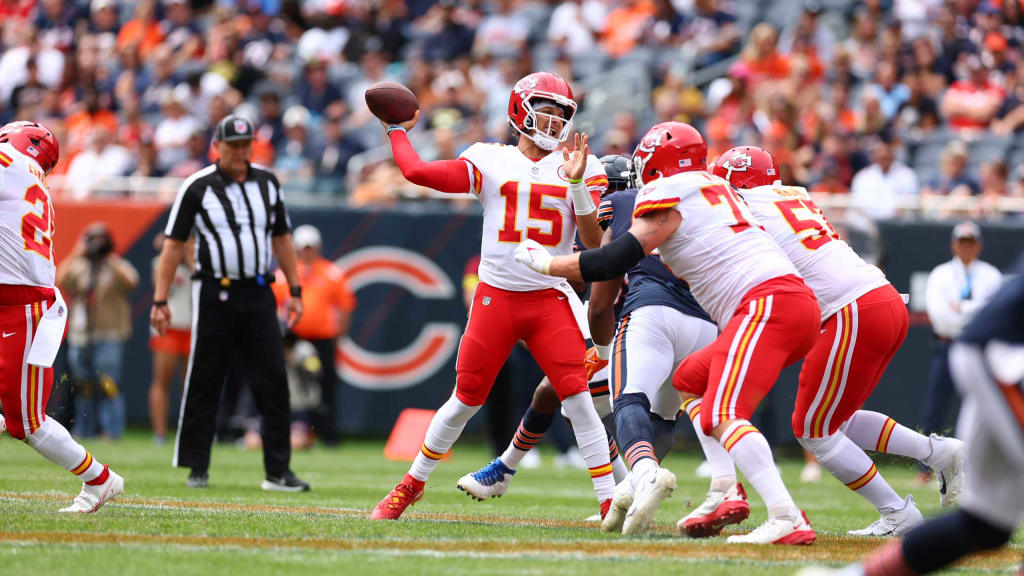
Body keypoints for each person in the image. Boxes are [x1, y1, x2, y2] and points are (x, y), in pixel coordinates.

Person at [515, 121, 819, 545]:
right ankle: (722, 490)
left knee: (702, 411)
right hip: (790, 304)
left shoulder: (660, 193)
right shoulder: (725, 191)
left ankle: (785, 515)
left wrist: (546, 263)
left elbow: (609, 261)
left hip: (754, 305)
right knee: (692, 382)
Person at [370, 71, 616, 521]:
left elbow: (595, 247)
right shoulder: (489, 158)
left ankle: (608, 501)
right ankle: (411, 485)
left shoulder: (584, 164)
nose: (554, 120)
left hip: (548, 297)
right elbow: (416, 171)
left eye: (562, 113)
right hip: (496, 297)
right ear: (521, 109)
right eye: (546, 109)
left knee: (578, 397)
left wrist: (578, 185)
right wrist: (397, 132)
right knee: (465, 399)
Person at [710, 146, 965, 537]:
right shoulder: (792, 194)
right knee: (835, 421)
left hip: (852, 310)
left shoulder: (746, 206)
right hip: (881, 299)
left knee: (814, 429)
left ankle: (897, 511)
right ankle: (939, 453)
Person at [807, 254, 1024, 576]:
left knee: (985, 525)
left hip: (991, 348)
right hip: (1005, 355)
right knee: (818, 426)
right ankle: (916, 480)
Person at [152, 114, 309, 492]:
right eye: (233, 145)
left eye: (245, 144)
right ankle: (196, 466)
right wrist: (160, 299)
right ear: (218, 146)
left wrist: (296, 290)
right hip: (213, 292)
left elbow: (283, 239)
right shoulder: (197, 186)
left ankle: (277, 471)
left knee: (273, 380)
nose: (240, 152)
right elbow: (174, 242)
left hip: (258, 292)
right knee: (205, 378)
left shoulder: (268, 183)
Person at [589, 155, 718, 536]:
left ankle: (644, 475)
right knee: (663, 417)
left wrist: (601, 348)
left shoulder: (626, 201)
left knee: (628, 400)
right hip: (706, 322)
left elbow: (600, 300)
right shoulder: (716, 200)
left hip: (651, 312)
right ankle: (631, 487)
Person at [0, 120, 124, 512]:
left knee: (28, 422)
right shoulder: (27, 178)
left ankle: (100, 480)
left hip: (22, 308)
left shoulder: (11, 164)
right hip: (15, 301)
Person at [920, 221, 1003, 463]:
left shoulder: (991, 275)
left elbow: (993, 316)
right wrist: (977, 311)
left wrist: (962, 308)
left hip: (980, 350)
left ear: (978, 246)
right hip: (947, 345)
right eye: (962, 242)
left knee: (983, 407)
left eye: (971, 243)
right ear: (954, 245)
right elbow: (941, 318)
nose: (967, 248)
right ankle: (925, 466)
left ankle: (984, 463)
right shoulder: (941, 274)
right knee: (936, 407)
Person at [270, 224, 355, 446]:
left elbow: (345, 307)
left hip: (323, 338)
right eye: (303, 248)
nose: (307, 252)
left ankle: (327, 433)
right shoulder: (284, 275)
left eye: (311, 248)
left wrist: (339, 338)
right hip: (294, 340)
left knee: (326, 383)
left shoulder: (332, 273)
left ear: (317, 248)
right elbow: (272, 306)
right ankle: (290, 428)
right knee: (291, 384)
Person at [57, 222, 139, 439]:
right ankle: (84, 429)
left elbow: (132, 281)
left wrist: (109, 258)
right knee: (83, 383)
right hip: (81, 333)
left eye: (101, 239)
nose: (97, 245)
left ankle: (111, 430)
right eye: (92, 240)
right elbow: (61, 280)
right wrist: (77, 252)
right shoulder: (80, 265)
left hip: (109, 333)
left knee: (108, 382)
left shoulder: (115, 265)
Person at [148, 233, 193, 445]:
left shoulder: (198, 264)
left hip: (192, 325)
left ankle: (191, 431)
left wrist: (190, 257)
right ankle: (160, 432)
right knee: (162, 380)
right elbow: (162, 288)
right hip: (170, 325)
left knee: (191, 383)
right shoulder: (162, 262)